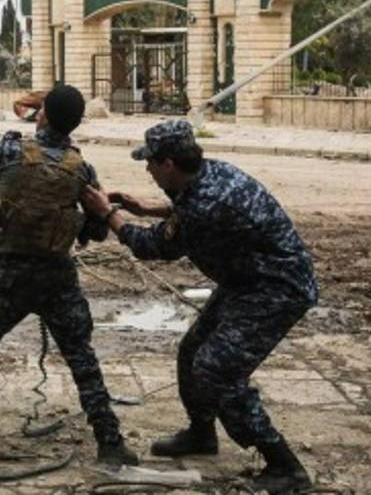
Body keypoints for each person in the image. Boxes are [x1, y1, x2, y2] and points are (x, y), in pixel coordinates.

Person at [81, 120, 317, 494]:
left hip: (275, 288)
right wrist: (145, 207)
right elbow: (184, 208)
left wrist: (108, 214)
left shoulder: (206, 206)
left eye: (151, 163)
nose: (147, 169)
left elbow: (150, 246)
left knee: (216, 369)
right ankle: (202, 432)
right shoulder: (210, 173)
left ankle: (284, 466)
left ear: (170, 163)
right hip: (246, 279)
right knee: (192, 349)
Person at [0, 84, 139, 466]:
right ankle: (109, 441)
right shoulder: (82, 169)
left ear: (42, 115)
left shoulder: (9, 150)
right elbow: (95, 230)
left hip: (9, 269)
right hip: (56, 273)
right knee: (81, 356)